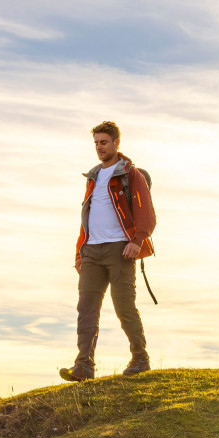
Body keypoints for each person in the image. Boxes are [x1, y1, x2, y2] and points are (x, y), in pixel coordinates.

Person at [60, 120, 156, 381]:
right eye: (96, 143)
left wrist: (136, 241)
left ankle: (140, 358)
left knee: (124, 306)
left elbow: (147, 214)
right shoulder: (92, 178)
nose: (99, 147)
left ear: (116, 143)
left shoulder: (130, 174)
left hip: (121, 250)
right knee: (86, 308)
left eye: (104, 142)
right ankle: (84, 366)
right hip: (91, 251)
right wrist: (79, 253)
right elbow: (86, 217)